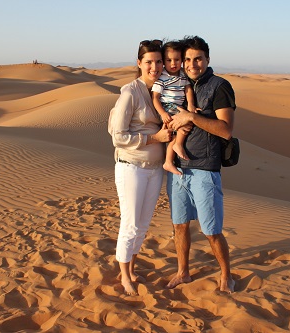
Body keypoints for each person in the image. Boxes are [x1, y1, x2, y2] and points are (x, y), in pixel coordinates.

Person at [166, 36, 236, 293]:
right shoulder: (179, 84)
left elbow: (226, 130)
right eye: (187, 59)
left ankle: (226, 275)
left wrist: (191, 117)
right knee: (179, 225)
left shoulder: (219, 86)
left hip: (205, 169)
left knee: (211, 230)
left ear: (207, 59)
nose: (192, 64)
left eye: (198, 58)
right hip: (177, 168)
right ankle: (183, 272)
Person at [108, 39, 173, 296]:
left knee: (144, 224)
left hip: (155, 168)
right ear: (139, 63)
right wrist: (153, 139)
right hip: (131, 166)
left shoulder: (162, 90)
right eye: (149, 62)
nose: (155, 66)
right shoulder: (130, 92)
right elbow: (118, 136)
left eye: (159, 61)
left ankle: (131, 268)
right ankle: (124, 276)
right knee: (131, 224)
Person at [151, 41, 196, 176]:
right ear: (164, 61)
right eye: (169, 60)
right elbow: (155, 98)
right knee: (184, 125)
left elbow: (188, 89)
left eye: (177, 59)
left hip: (178, 107)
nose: (173, 63)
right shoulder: (162, 77)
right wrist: (163, 113)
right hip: (167, 107)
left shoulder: (183, 74)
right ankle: (175, 151)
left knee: (178, 133)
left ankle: (169, 161)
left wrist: (191, 104)